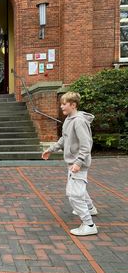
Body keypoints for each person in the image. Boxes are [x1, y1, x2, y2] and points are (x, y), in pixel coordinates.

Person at [42, 91, 98, 236]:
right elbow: (64, 139)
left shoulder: (79, 121)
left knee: (74, 195)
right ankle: (90, 209)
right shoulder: (69, 119)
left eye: (64, 104)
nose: (61, 107)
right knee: (79, 189)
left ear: (73, 105)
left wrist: (78, 163)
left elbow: (86, 145)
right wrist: (50, 149)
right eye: (61, 104)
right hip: (72, 163)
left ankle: (89, 224)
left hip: (77, 163)